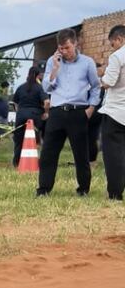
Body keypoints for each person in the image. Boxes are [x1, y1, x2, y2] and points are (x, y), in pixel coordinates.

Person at [36, 28, 100, 197]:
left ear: (75, 43)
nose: (64, 52)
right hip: (57, 112)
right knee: (48, 152)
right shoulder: (52, 61)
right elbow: (46, 87)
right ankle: (44, 189)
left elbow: (96, 87)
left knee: (81, 154)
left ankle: (83, 189)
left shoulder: (87, 62)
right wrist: (55, 68)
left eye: (67, 48)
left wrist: (91, 108)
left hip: (78, 112)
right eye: (61, 48)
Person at [99, 25, 125, 200]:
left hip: (115, 112)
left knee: (113, 155)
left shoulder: (117, 56)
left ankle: (115, 193)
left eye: (113, 43)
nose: (112, 47)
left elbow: (108, 82)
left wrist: (100, 77)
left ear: (119, 39)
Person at [12, 66, 49, 167]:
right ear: (38, 76)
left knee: (19, 140)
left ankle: (16, 162)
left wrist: (19, 111)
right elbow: (47, 102)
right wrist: (46, 113)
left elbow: (15, 102)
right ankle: (38, 161)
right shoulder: (39, 87)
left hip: (21, 116)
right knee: (38, 138)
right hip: (35, 116)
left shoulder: (21, 87)